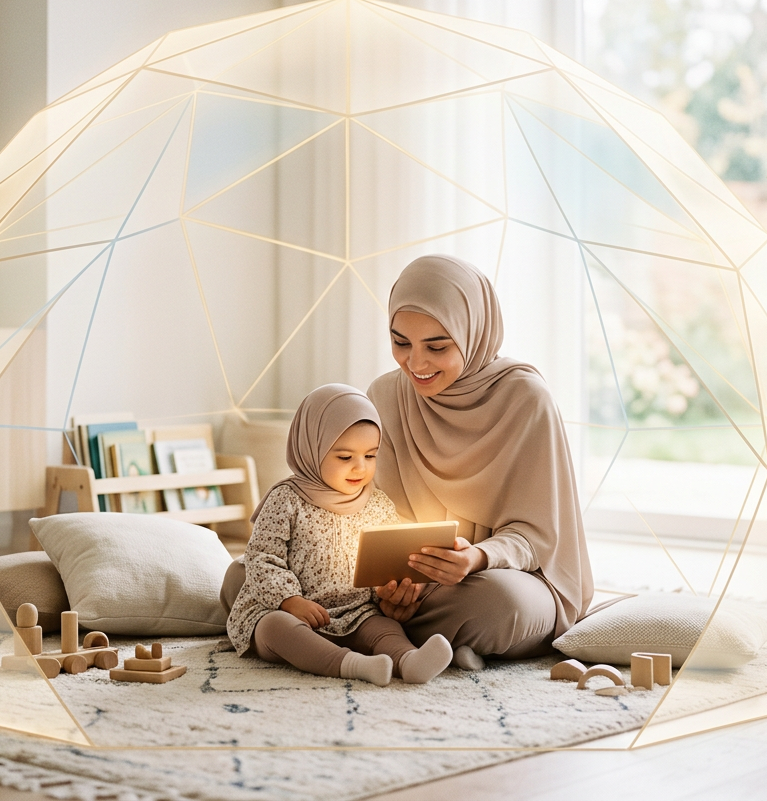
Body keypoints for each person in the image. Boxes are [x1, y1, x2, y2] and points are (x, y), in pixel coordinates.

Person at [368, 254, 593, 670]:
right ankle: (425, 639)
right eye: (401, 343)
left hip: (506, 576)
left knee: (501, 604)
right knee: (252, 576)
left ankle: (376, 637)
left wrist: (475, 558)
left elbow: (536, 537)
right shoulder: (386, 396)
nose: (416, 365)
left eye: (437, 346)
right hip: (423, 589)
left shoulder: (526, 400)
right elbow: (381, 516)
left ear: (474, 334)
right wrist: (395, 586)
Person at [225, 383, 453, 686]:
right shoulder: (287, 499)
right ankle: (352, 665)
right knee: (275, 629)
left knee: (383, 629)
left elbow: (382, 562)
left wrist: (387, 593)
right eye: (345, 457)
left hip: (355, 611)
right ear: (312, 448)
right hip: (289, 610)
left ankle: (409, 661)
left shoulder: (378, 504)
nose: (360, 468)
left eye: (370, 456)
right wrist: (290, 601)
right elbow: (262, 558)